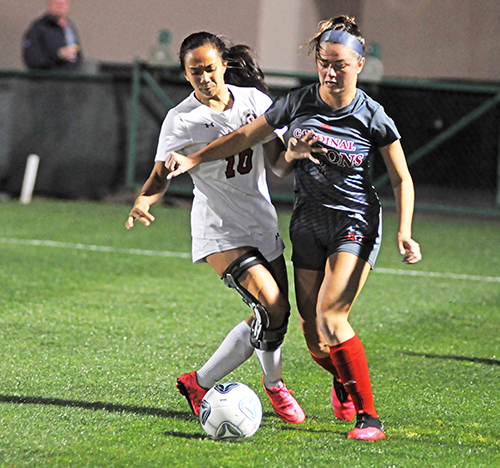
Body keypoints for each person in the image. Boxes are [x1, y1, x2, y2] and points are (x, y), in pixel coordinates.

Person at [164, 16, 422, 441]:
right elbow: (249, 139)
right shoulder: (297, 102)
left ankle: (369, 418)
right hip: (307, 222)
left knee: (331, 316)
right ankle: (343, 378)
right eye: (324, 62)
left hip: (354, 221)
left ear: (359, 64)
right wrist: (196, 159)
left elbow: (402, 178)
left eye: (340, 63)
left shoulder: (372, 114)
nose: (331, 71)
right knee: (313, 335)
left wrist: (404, 230)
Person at [125, 31, 305, 425]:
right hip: (218, 229)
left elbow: (277, 165)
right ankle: (268, 385)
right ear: (185, 75)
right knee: (271, 304)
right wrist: (144, 200)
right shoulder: (181, 119)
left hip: (261, 222)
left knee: (276, 315)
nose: (204, 78)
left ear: (224, 65)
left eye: (210, 68)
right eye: (195, 72)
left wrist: (295, 151)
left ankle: (205, 382)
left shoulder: (255, 101)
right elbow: (161, 174)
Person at [22, 0, 83, 71]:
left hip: (70, 79)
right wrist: (58, 55)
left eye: (63, 4)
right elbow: (33, 60)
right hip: (48, 79)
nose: (60, 7)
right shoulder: (38, 28)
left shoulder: (69, 28)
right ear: (49, 5)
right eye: (56, 3)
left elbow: (78, 56)